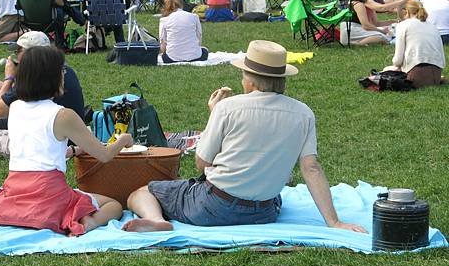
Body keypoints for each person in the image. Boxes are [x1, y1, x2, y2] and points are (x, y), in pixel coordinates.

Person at [124, 40, 367, 234]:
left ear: (249, 80)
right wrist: (334, 222)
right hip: (264, 212)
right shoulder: (303, 113)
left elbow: (202, 163)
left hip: (212, 208)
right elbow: (311, 167)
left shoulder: (227, 108)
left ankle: (156, 220)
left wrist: (214, 117)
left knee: (142, 192)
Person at [0, 46, 132, 236]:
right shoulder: (62, 115)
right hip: (48, 193)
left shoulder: (16, 107)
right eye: (62, 70)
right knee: (114, 205)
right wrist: (124, 139)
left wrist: (74, 151)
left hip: (15, 191)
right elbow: (104, 155)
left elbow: (40, 148)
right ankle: (88, 223)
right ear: (53, 76)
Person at [0, 31, 86, 155]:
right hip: (67, 133)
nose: (15, 56)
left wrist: (9, 77)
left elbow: (0, 112)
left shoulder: (36, 75)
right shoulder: (65, 70)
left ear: (30, 53)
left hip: (46, 139)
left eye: (18, 51)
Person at [386, 0, 445, 88]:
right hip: (436, 75)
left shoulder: (402, 25)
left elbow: (397, 61)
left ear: (407, 12)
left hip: (415, 76)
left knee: (387, 69)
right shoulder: (433, 26)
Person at [341, 0, 410, 45]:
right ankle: (356, 44)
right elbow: (366, 25)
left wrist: (394, 21)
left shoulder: (367, 2)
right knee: (382, 37)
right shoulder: (359, 4)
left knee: (387, 32)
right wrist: (403, 1)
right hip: (350, 31)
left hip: (356, 29)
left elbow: (376, 23)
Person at [159, 0, 208, 64]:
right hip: (195, 56)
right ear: (180, 6)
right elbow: (199, 38)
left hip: (172, 58)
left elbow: (163, 43)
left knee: (164, 56)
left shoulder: (164, 20)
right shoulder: (194, 16)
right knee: (205, 50)